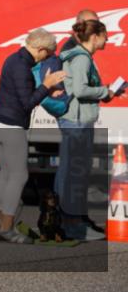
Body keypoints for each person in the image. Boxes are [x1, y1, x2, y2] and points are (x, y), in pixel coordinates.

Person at [0, 28, 66, 244]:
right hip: (10, 125)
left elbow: (23, 95)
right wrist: (46, 85)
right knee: (19, 176)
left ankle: (2, 223)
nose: (48, 59)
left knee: (6, 174)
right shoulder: (22, 66)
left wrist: (46, 90)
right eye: (48, 54)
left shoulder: (13, 58)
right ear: (40, 49)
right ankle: (6, 229)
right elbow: (27, 104)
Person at [55, 18, 115, 241]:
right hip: (77, 122)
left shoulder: (81, 56)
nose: (107, 39)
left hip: (78, 121)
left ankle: (73, 224)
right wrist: (103, 91)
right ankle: (73, 227)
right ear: (95, 36)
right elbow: (80, 90)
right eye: (104, 35)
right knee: (75, 176)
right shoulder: (81, 58)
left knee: (75, 175)